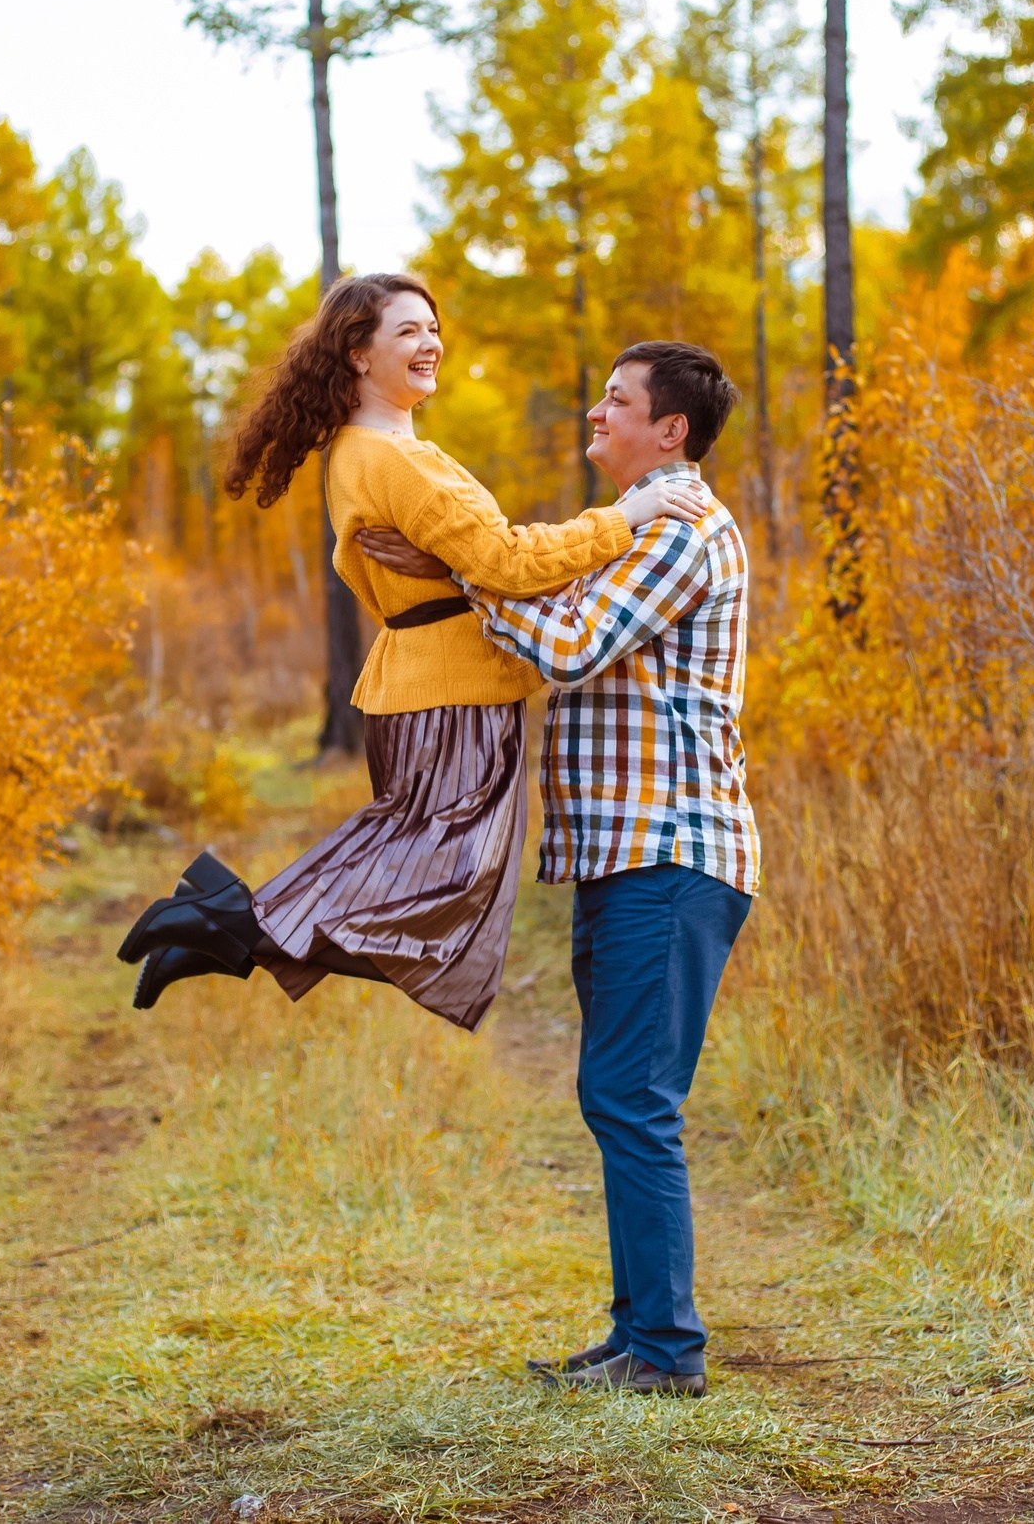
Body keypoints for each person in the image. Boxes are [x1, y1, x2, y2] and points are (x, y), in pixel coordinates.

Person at [114, 272, 708, 1029]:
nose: (430, 343)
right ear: (359, 354)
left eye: (433, 328)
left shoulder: (379, 451)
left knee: (418, 876)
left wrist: (500, 562)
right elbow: (507, 563)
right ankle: (222, 923)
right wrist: (627, 514)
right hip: (450, 689)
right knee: (442, 887)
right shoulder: (392, 459)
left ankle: (218, 929)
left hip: (434, 684)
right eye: (407, 331)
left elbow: (487, 561)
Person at [357, 340, 759, 1398]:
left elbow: (570, 642)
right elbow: (545, 604)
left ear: (669, 429)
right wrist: (472, 577)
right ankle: (642, 1336)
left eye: (615, 400)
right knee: (618, 1094)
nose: (595, 411)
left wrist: (454, 572)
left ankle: (664, 1353)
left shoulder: (678, 528)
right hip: (625, 857)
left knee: (632, 1096)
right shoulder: (633, 529)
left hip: (671, 851)